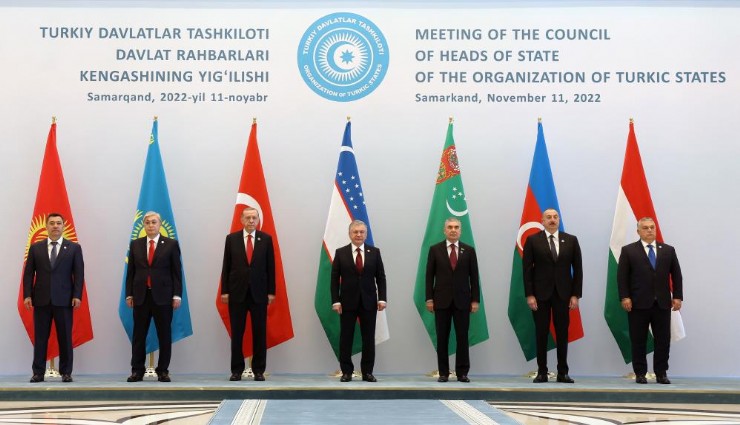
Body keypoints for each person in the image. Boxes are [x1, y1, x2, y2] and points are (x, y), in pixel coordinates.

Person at [618, 217, 683, 385]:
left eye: (652, 227)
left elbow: (676, 275)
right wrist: (625, 297)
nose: (649, 230)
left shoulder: (668, 250)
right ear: (638, 231)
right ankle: (640, 373)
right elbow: (622, 277)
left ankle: (661, 373)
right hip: (637, 303)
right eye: (645, 228)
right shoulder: (629, 251)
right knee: (638, 340)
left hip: (662, 303)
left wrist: (677, 296)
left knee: (663, 340)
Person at [522, 208, 582, 384]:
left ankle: (563, 372)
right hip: (540, 295)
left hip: (563, 294)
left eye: (555, 217)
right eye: (548, 217)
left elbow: (578, 269)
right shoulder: (533, 240)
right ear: (542, 221)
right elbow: (526, 270)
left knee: (562, 333)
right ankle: (542, 372)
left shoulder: (571, 240)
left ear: (559, 220)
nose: (552, 220)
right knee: (541, 333)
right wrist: (529, 295)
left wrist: (575, 295)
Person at [23, 213, 84, 383]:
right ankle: (38, 372)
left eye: (58, 223)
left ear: (63, 226)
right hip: (41, 299)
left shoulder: (74, 248)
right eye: (52, 223)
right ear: (46, 226)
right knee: (40, 338)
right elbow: (28, 274)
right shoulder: (36, 248)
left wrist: (77, 295)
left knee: (65, 338)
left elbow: (79, 274)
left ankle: (66, 372)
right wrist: (27, 295)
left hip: (64, 299)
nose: (55, 226)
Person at [125, 211, 182, 383]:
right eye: (147, 222)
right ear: (144, 225)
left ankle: (163, 370)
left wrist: (177, 295)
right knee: (139, 335)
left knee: (164, 334)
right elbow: (131, 272)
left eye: (154, 222)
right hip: (141, 296)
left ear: (160, 224)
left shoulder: (171, 244)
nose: (151, 225)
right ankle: (137, 370)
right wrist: (129, 294)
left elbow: (176, 272)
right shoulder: (135, 244)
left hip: (163, 297)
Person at [221, 207, 275, 382]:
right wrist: (225, 291)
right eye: (248, 218)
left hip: (259, 294)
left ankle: (258, 370)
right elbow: (226, 266)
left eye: (254, 218)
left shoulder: (266, 239)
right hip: (237, 293)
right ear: (242, 220)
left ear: (258, 220)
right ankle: (236, 370)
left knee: (260, 333)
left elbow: (271, 267)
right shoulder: (232, 239)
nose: (251, 221)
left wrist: (271, 291)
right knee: (237, 333)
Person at [331, 220, 387, 383]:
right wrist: (336, 301)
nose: (358, 234)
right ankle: (346, 372)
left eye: (362, 232)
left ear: (366, 234)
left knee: (368, 338)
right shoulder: (341, 253)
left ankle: (367, 372)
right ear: (349, 234)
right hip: (347, 302)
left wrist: (382, 298)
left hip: (369, 302)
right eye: (355, 232)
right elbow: (334, 279)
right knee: (346, 337)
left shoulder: (374, 252)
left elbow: (381, 277)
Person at [425, 217, 480, 383]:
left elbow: (474, 277)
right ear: (445, 230)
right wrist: (429, 299)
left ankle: (462, 373)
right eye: (450, 227)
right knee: (442, 337)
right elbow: (429, 276)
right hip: (441, 301)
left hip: (463, 301)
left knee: (462, 337)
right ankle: (443, 373)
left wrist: (475, 300)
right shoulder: (435, 250)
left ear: (460, 231)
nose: (453, 230)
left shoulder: (469, 250)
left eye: (456, 227)